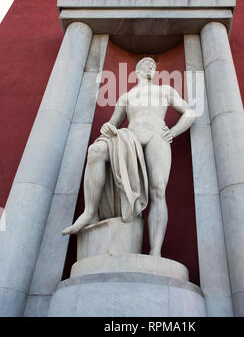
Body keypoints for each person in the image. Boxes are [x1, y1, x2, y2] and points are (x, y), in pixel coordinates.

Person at [62, 57, 196, 257]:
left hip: (156, 137)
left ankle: (155, 251)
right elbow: (112, 124)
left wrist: (174, 132)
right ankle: (90, 212)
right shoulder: (127, 96)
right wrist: (107, 127)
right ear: (137, 70)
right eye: (146, 65)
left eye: (153, 65)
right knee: (96, 150)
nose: (151, 67)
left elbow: (190, 113)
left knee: (158, 190)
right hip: (130, 138)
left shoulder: (165, 90)